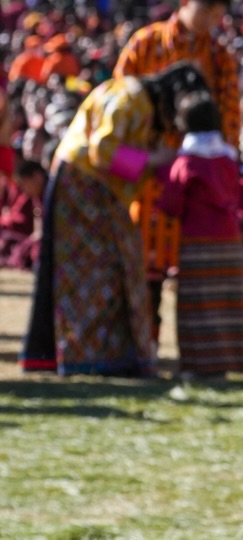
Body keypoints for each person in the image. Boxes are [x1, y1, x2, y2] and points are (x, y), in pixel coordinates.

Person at [22, 64, 209, 377]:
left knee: (114, 269)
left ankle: (112, 355)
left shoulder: (135, 97)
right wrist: (155, 160)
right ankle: (91, 355)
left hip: (96, 190)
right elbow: (103, 150)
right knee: (93, 272)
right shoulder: (131, 96)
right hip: (83, 187)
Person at [114, 0, 240, 327]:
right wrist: (143, 157)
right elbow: (119, 101)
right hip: (143, 176)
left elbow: (229, 126)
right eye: (207, 9)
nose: (213, 19)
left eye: (219, 13)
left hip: (193, 184)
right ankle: (144, 346)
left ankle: (199, 355)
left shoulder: (219, 56)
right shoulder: (145, 44)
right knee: (143, 271)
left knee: (196, 274)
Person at [156, 93, 243, 378]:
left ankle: (199, 364)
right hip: (229, 241)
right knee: (225, 304)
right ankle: (226, 361)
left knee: (197, 307)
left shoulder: (186, 162)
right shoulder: (228, 157)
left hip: (198, 242)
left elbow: (172, 204)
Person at [0, 159, 45, 270]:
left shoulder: (53, 192)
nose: (24, 190)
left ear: (37, 176)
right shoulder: (35, 197)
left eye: (24, 184)